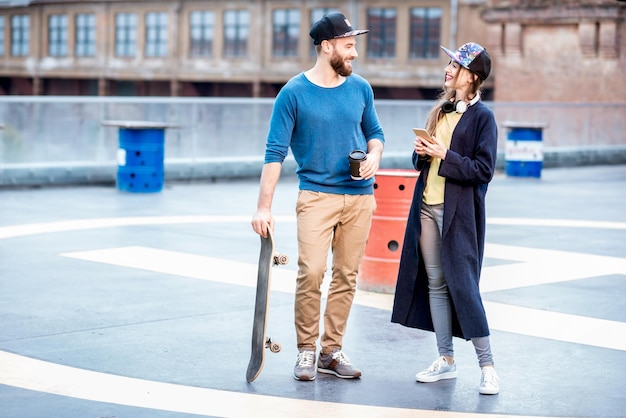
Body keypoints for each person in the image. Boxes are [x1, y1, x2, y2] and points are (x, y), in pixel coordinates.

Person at [251, 13, 385, 381]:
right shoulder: (293, 93)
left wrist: (374, 155)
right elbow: (274, 153)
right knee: (311, 273)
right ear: (327, 47)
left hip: (360, 197)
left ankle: (331, 351)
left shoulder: (360, 88)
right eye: (348, 45)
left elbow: (375, 132)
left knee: (346, 275)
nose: (354, 53)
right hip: (316, 196)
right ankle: (307, 351)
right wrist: (264, 208)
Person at [390, 42, 500, 395]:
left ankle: (488, 367)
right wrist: (422, 153)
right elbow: (422, 163)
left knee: (464, 285)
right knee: (435, 283)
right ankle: (446, 361)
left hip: (459, 215)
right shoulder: (440, 111)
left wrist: (445, 154)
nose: (448, 70)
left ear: (472, 76)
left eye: (455, 65)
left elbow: (483, 170)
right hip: (425, 207)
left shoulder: (484, 118)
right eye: (449, 64)